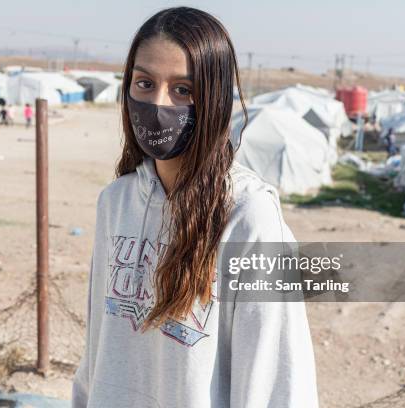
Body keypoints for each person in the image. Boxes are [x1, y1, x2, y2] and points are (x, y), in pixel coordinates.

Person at [71, 7, 318, 408]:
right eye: (145, 83)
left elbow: (277, 383)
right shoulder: (115, 203)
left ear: (215, 99)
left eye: (183, 90)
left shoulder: (248, 216)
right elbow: (97, 349)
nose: (158, 103)